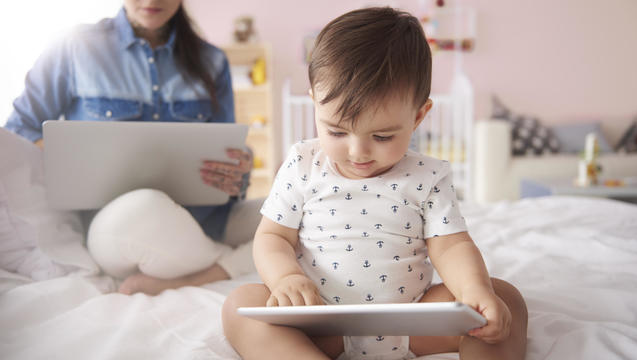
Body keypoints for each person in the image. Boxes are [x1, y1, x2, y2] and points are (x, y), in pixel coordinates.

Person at [222, 7, 528, 360]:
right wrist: (286, 278)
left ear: (418, 116)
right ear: (314, 104)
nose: (358, 152)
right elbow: (273, 237)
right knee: (240, 305)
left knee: (503, 299)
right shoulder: (302, 164)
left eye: (382, 136)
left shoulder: (428, 176)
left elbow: (450, 246)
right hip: (319, 321)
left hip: (412, 323)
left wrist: (474, 290)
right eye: (336, 131)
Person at [4, 0, 261, 295]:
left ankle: (203, 272)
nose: (152, 1)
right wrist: (56, 150)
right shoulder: (75, 46)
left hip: (206, 219)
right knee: (146, 206)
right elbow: (17, 131)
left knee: (300, 211)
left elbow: (227, 152)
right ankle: (239, 260)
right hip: (120, 225)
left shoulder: (212, 60)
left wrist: (240, 169)